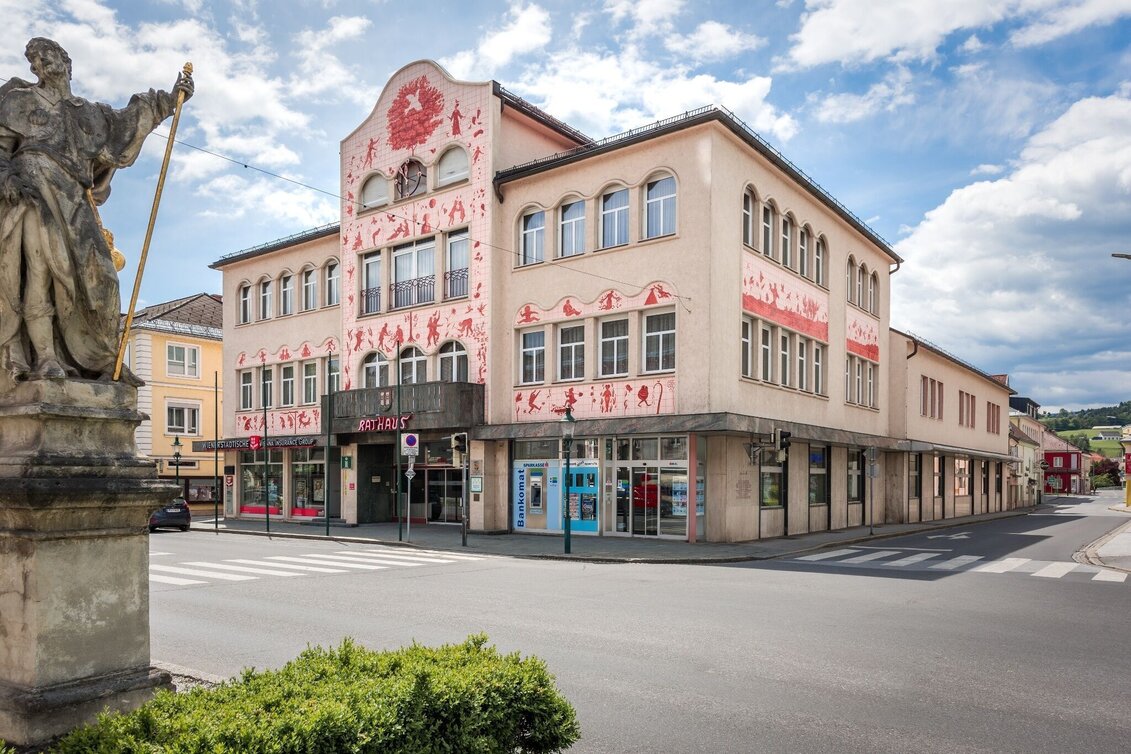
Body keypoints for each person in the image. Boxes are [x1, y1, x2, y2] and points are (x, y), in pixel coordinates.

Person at [0, 37, 193, 386]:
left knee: (102, 277)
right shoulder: (19, 101)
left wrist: (169, 100)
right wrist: (7, 179)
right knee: (43, 271)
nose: (39, 65)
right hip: (33, 195)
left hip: (74, 197)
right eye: (34, 61)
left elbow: (126, 124)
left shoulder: (89, 112)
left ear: (65, 59)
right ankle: (46, 359)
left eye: (46, 57)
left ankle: (104, 358)